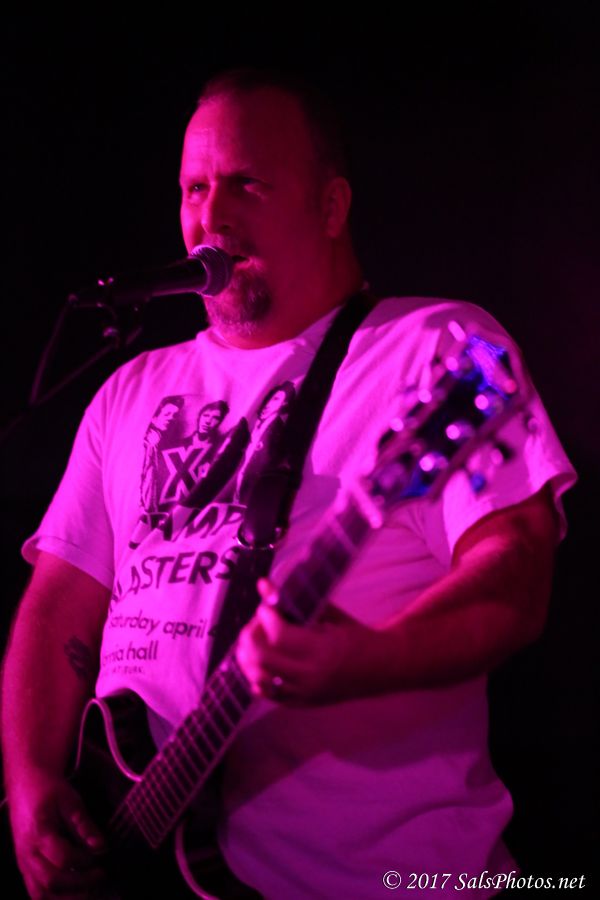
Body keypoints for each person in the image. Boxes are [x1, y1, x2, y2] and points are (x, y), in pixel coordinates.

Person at [1, 68, 576, 900]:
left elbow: (515, 575)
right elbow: (58, 604)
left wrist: (366, 659)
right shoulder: (129, 391)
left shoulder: (433, 348)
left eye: (247, 184)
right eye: (195, 188)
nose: (211, 217)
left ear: (332, 206)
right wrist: (29, 785)